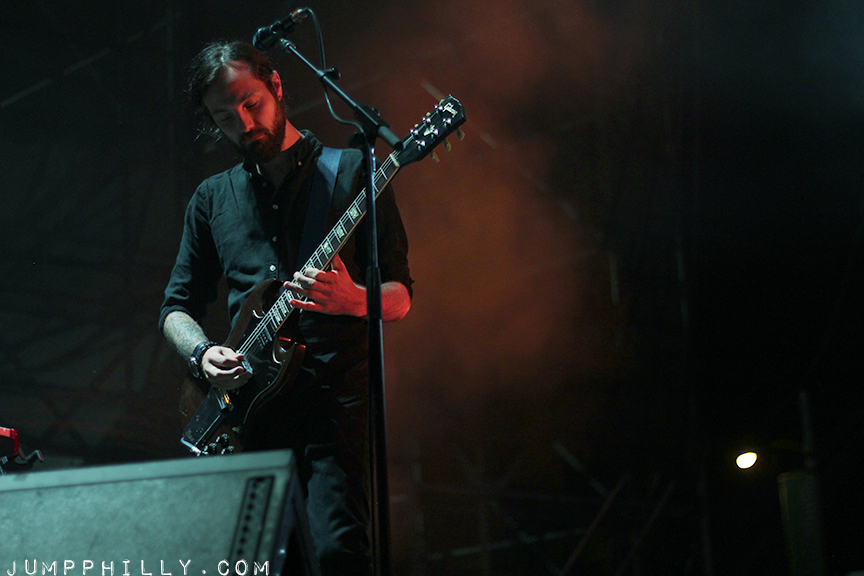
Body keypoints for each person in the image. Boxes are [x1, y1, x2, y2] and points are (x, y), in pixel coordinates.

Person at [159, 40, 412, 576]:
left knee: (338, 552)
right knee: (261, 563)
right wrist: (202, 354)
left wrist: (354, 299)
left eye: (251, 103)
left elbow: (401, 297)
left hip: (333, 403)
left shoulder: (354, 173)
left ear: (276, 86)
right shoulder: (212, 198)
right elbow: (176, 309)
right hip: (248, 412)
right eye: (225, 118)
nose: (245, 124)